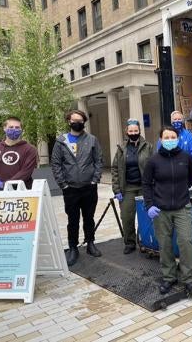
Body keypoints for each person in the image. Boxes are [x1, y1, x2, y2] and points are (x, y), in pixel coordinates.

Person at [142, 126, 192, 295]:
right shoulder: (153, 161)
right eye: (167, 137)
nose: (170, 139)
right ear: (161, 140)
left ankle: (189, 279)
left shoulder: (186, 158)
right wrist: (149, 205)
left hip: (182, 207)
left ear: (178, 139)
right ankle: (169, 277)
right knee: (164, 244)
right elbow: (146, 184)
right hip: (160, 210)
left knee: (186, 242)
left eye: (173, 137)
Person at [51, 109, 103, 266]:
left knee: (89, 218)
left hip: (89, 187)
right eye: (74, 120)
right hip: (71, 189)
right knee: (72, 220)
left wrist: (95, 179)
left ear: (84, 122)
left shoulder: (92, 140)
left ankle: (90, 243)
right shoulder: (61, 141)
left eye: (80, 121)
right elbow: (56, 164)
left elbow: (98, 160)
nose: (77, 123)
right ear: (69, 121)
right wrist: (63, 185)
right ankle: (73, 247)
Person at [111, 118, 153, 254]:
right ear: (126, 132)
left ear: (139, 131)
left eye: (136, 130)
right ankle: (129, 242)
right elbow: (115, 169)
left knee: (146, 217)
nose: (133, 132)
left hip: (144, 187)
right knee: (127, 217)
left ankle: (146, 241)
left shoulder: (148, 146)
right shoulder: (121, 148)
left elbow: (155, 166)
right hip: (127, 188)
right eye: (131, 131)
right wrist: (116, 189)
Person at [0, 116, 37, 190]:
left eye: (17, 127)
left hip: (23, 193)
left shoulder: (30, 149)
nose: (14, 129)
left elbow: (25, 173)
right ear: (4, 128)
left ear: (21, 130)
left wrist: (4, 184)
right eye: (11, 127)